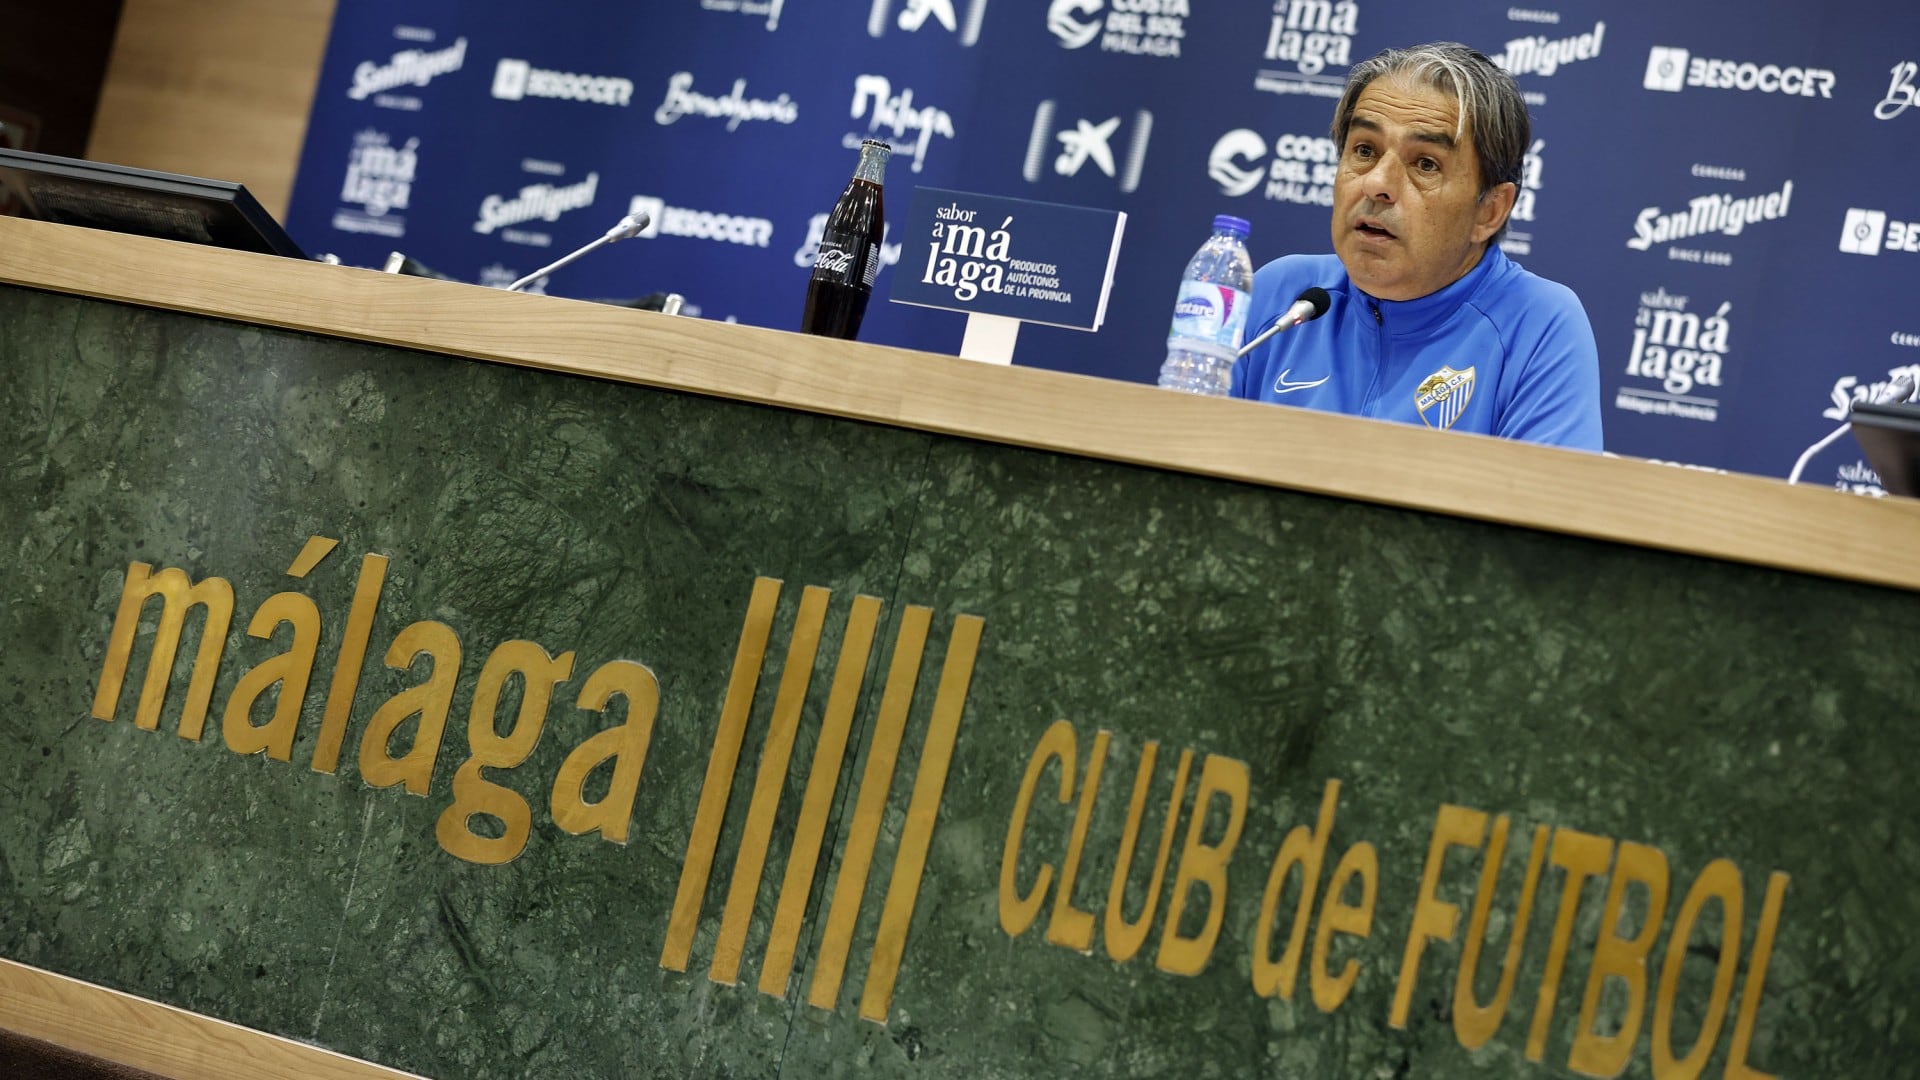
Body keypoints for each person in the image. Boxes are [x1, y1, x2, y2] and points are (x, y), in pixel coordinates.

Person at [1230, 42, 1602, 451]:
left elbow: (1543, 507)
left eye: (1426, 164)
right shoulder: (1282, 296)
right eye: (1365, 151)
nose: (1377, 184)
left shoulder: (1538, 326)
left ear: (1490, 211)